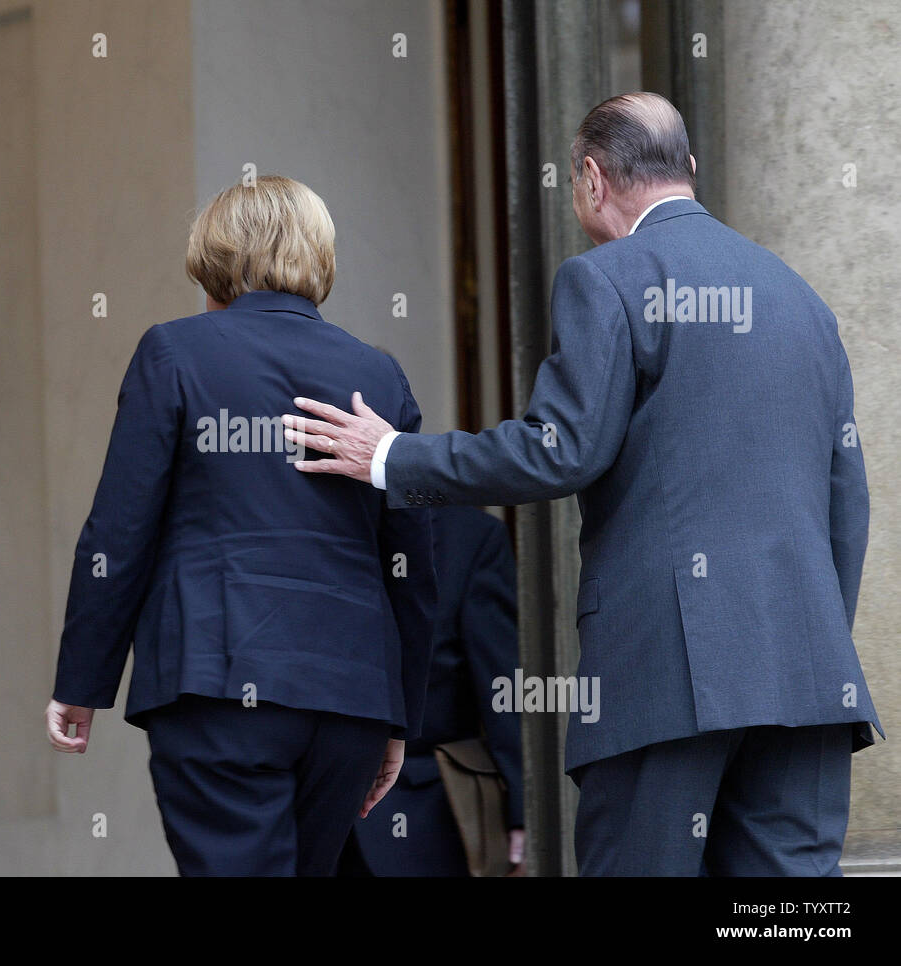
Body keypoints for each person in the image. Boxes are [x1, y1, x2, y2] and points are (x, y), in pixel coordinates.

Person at [283, 92, 880, 876]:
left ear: (592, 179)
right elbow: (849, 501)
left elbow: (559, 450)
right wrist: (813, 634)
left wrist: (394, 457)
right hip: (807, 675)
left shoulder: (607, 278)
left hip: (668, 675)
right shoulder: (802, 300)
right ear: (689, 170)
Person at [45, 175, 436, 876]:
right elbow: (411, 562)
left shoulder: (173, 353)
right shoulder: (380, 376)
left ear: (216, 257)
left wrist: (83, 678)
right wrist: (399, 714)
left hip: (217, 681)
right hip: (348, 697)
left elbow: (119, 532)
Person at [339, 503, 524, 876]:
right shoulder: (301, 517)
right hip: (301, 806)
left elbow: (500, 681)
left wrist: (519, 810)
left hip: (424, 814)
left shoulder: (469, 535)